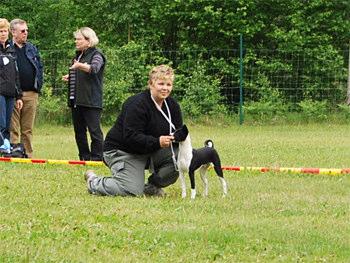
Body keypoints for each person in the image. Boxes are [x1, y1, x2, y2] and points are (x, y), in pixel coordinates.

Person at [85, 65, 184, 197]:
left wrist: (182, 140)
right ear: (151, 84)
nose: (165, 88)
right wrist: (157, 142)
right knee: (131, 190)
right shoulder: (136, 104)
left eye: (169, 84)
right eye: (161, 83)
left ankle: (152, 187)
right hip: (123, 150)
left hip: (149, 150)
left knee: (181, 157)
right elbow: (131, 137)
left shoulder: (173, 106)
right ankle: (94, 181)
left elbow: (178, 132)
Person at [62, 27, 105, 161]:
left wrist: (79, 66)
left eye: (79, 39)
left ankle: (97, 158)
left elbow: (94, 68)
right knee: (79, 132)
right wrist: (71, 77)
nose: (76, 41)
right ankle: (84, 157)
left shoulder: (97, 54)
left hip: (91, 100)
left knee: (95, 132)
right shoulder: (78, 55)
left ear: (88, 40)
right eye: (76, 39)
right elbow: (80, 71)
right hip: (76, 100)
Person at [9, 18, 43, 158]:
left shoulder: (32, 48)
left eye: (27, 30)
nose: (26, 33)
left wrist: (38, 85)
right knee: (13, 127)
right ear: (13, 32)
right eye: (22, 31)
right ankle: (14, 152)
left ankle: (28, 154)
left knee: (27, 128)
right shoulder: (7, 48)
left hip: (30, 93)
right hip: (13, 93)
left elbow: (39, 68)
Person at [0, 18, 23, 154]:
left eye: (5, 31)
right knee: (1, 122)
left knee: (7, 123)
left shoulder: (11, 50)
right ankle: (2, 146)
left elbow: (16, 74)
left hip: (10, 92)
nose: (3, 34)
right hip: (0, 91)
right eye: (0, 31)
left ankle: (6, 146)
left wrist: (19, 95)